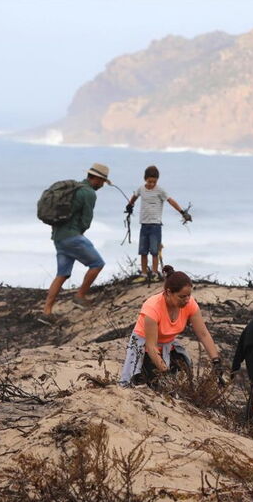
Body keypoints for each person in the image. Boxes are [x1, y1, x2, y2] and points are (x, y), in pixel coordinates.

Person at [120, 265, 220, 386]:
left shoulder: (189, 303)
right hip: (144, 347)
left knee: (185, 378)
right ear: (168, 293)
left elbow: (203, 334)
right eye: (182, 296)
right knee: (153, 383)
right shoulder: (152, 307)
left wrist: (216, 361)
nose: (187, 300)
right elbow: (151, 347)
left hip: (168, 346)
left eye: (189, 295)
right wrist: (165, 372)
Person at [42, 164, 109, 317]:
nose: (102, 185)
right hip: (72, 237)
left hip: (58, 238)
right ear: (97, 179)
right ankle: (80, 296)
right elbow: (86, 221)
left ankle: (46, 311)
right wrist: (78, 234)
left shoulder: (74, 189)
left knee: (62, 274)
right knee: (97, 264)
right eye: (102, 181)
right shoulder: (89, 193)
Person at [125, 166, 191, 284]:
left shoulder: (160, 190)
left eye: (154, 182)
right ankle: (144, 274)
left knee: (154, 251)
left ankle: (155, 273)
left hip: (155, 225)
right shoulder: (141, 189)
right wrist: (130, 205)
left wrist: (182, 212)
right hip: (144, 225)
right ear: (145, 179)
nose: (151, 184)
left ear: (157, 180)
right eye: (149, 181)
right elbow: (135, 196)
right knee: (143, 251)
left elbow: (170, 201)